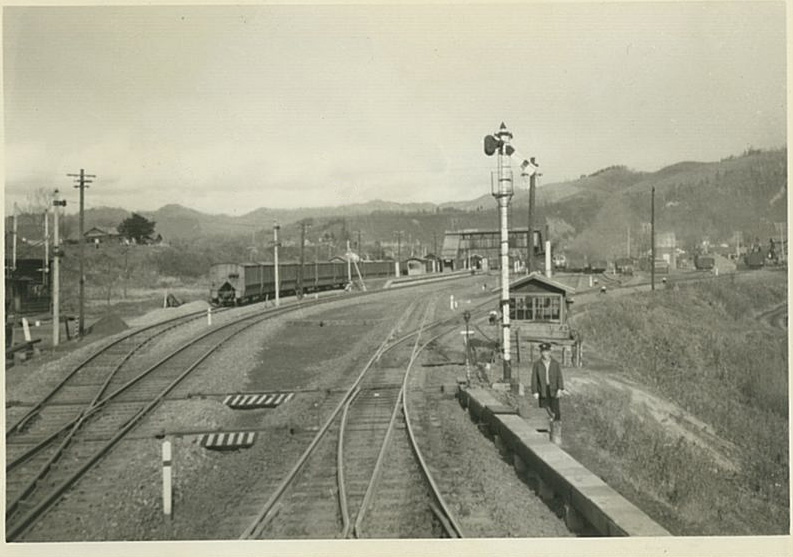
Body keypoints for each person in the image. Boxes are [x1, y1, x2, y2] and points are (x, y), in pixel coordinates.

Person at [531, 342, 566, 421]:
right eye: (543, 352)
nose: (545, 354)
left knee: (555, 410)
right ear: (541, 352)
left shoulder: (555, 363)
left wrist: (560, 389)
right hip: (543, 390)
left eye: (547, 351)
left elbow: (559, 376)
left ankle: (556, 428)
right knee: (544, 410)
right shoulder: (537, 364)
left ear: (550, 352)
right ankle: (545, 429)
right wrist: (535, 391)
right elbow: (534, 378)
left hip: (553, 389)